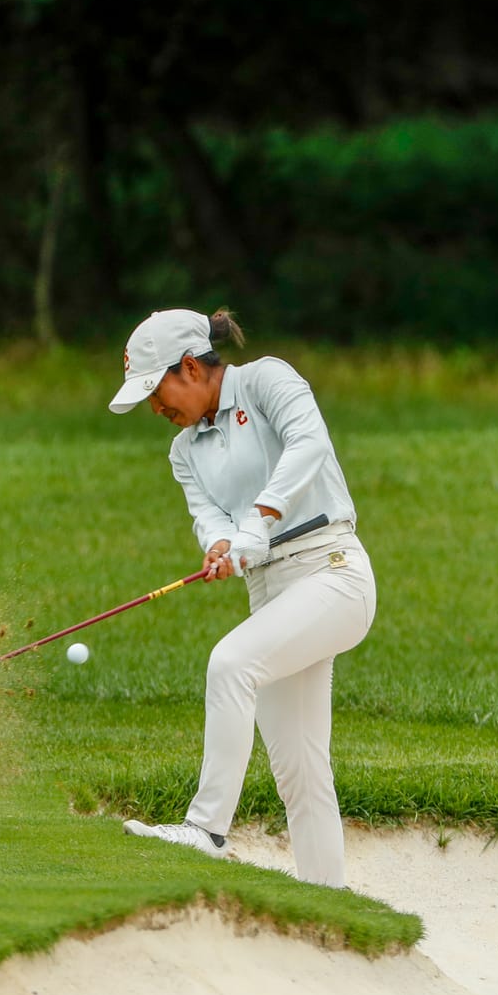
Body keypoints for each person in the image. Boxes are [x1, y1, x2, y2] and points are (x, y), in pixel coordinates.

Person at [108, 307, 375, 888]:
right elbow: (209, 519)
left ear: (188, 367)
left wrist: (258, 521)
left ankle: (205, 830)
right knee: (301, 774)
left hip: (333, 574)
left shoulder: (267, 380)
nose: (156, 409)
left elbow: (309, 445)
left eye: (156, 392)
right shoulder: (184, 450)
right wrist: (223, 544)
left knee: (229, 664)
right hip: (271, 594)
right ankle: (327, 903)